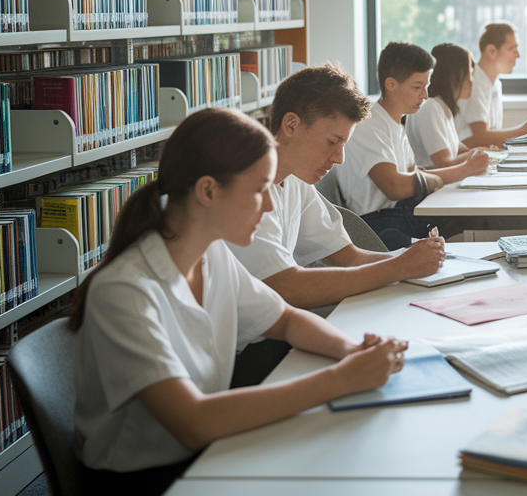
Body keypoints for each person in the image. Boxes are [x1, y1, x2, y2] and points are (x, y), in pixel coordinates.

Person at [71, 108, 407, 496]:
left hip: (206, 452)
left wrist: (350, 351)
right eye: (259, 189)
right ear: (209, 191)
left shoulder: (210, 255)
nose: (268, 206)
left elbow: (285, 319)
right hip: (144, 480)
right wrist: (341, 379)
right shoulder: (123, 293)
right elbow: (193, 421)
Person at [228, 63, 446, 313]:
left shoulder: (296, 180)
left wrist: (412, 258)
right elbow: (286, 286)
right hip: (247, 342)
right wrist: (400, 267)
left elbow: (349, 258)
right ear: (291, 125)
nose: (339, 158)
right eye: (333, 141)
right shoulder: (245, 188)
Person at [333, 42, 489, 249]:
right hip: (377, 225)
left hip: (401, 213)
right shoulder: (368, 124)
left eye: (426, 86)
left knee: (477, 214)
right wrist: (465, 170)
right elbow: (396, 187)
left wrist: (460, 171)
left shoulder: (396, 123)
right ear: (391, 84)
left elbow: (413, 174)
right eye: (417, 87)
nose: (424, 95)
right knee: (474, 223)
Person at [456, 22, 527, 147]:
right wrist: (526, 129)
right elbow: (480, 138)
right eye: (512, 49)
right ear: (491, 51)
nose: (518, 55)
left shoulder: (495, 84)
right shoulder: (473, 84)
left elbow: (492, 135)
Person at [407, 43, 495, 168]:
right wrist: (481, 153)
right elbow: (444, 162)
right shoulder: (429, 107)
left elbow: (460, 150)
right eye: (468, 75)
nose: (471, 82)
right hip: (436, 185)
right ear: (452, 76)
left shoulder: (444, 108)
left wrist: (492, 152)